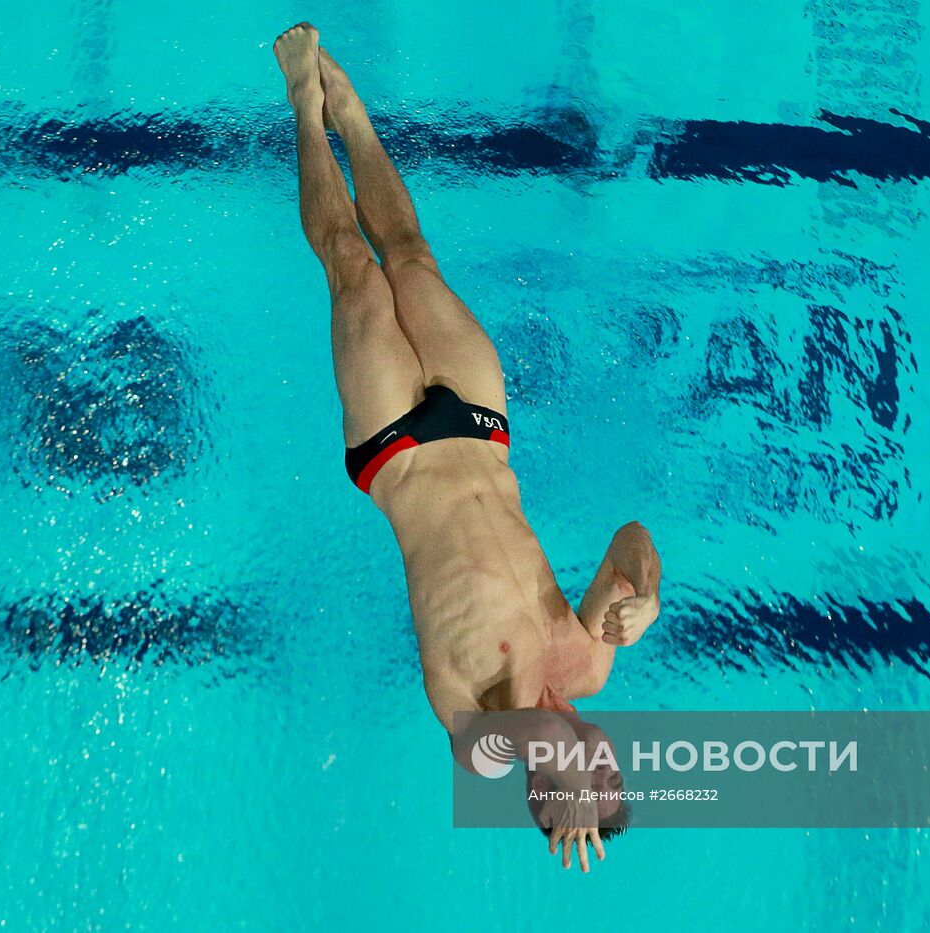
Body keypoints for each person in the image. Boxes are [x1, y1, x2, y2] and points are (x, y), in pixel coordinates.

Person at [273, 22, 662, 872]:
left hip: (394, 453)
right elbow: (630, 537)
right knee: (411, 256)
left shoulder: (475, 729)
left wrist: (550, 767)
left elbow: (503, 740)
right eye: (607, 764)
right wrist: (645, 592)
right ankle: (354, 117)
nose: (597, 756)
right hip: (482, 429)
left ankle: (305, 109)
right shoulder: (591, 658)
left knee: (351, 266)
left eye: (584, 776)